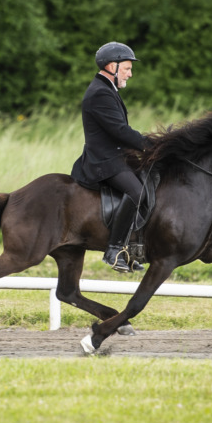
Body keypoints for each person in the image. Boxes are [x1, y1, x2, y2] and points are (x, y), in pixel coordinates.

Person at [71, 42, 147, 273]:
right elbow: (120, 132)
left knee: (151, 181)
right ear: (111, 66)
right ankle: (114, 250)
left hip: (116, 157)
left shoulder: (106, 90)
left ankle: (134, 250)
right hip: (104, 162)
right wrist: (152, 144)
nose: (130, 73)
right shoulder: (100, 93)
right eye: (126, 68)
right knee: (137, 192)